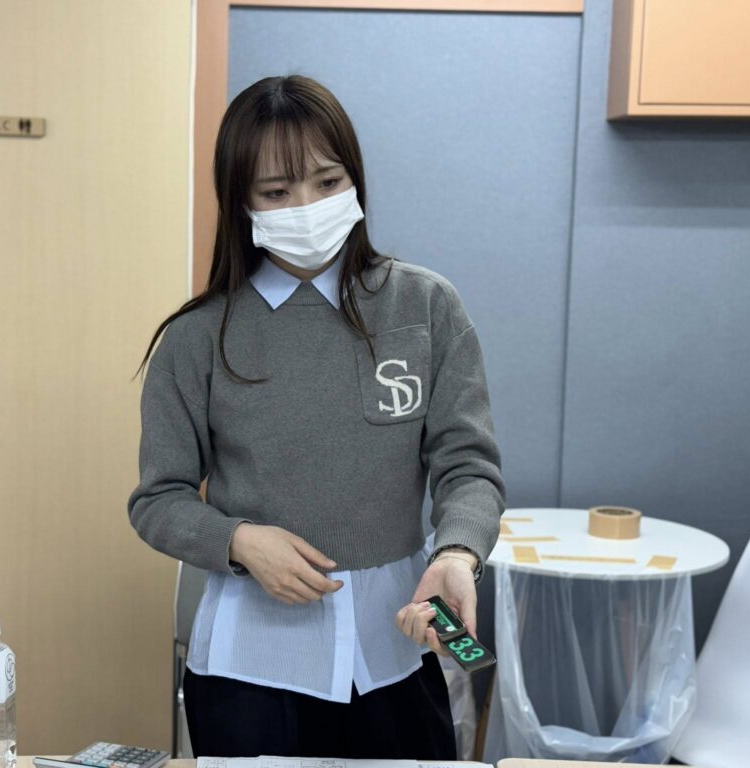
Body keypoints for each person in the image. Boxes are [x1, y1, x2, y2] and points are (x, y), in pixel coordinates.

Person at [127, 74, 505, 760]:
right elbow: (158, 500)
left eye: (327, 182)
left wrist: (457, 551)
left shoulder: (425, 307)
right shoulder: (197, 339)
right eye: (277, 192)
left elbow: (468, 466)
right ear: (241, 201)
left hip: (400, 650)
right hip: (250, 668)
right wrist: (239, 540)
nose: (307, 207)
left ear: (354, 180)